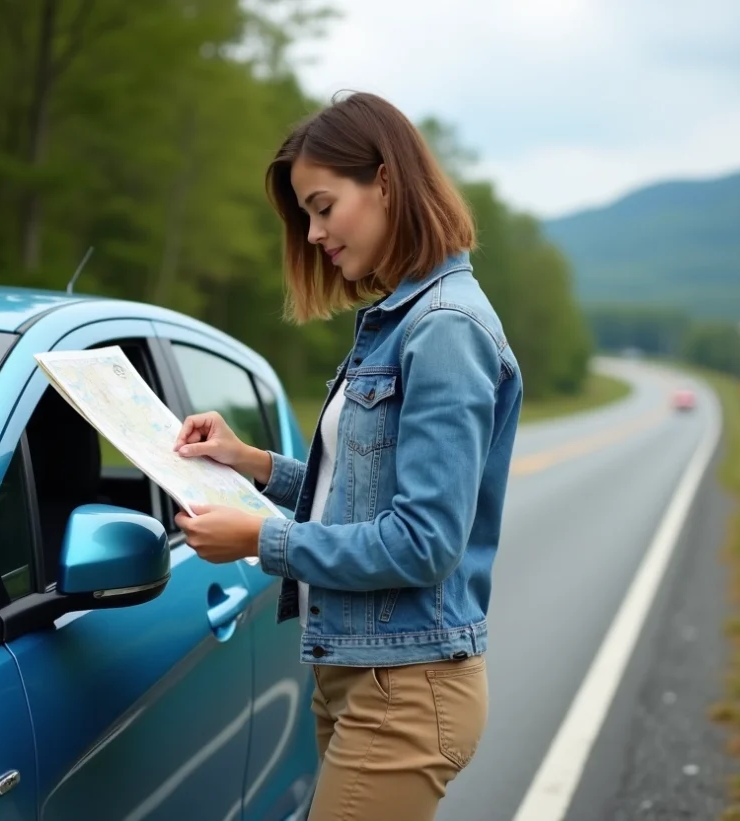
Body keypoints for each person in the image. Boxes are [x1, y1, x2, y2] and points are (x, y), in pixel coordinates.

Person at [171, 91, 523, 821]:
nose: (314, 233)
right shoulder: (402, 321)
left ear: (385, 182)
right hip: (364, 675)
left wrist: (260, 539)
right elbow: (363, 495)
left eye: (323, 207)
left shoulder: (444, 328)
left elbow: (423, 541)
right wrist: (253, 463)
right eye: (307, 215)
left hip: (404, 688)